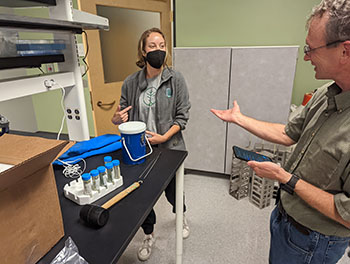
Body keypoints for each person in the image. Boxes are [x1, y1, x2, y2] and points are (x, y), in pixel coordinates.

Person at [211, 0, 350, 263]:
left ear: (345, 51)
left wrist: (287, 179)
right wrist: (240, 119)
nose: (306, 56)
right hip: (286, 217)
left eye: (311, 49)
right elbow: (288, 133)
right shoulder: (324, 95)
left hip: (315, 240)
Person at [111, 27, 191, 261]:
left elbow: (182, 116)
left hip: (170, 147)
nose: (159, 50)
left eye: (162, 46)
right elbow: (121, 115)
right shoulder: (130, 82)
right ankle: (148, 233)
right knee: (141, 194)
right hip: (139, 148)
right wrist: (116, 119)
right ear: (143, 51)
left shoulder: (176, 79)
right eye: (153, 46)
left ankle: (181, 216)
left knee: (174, 191)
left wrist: (164, 137)